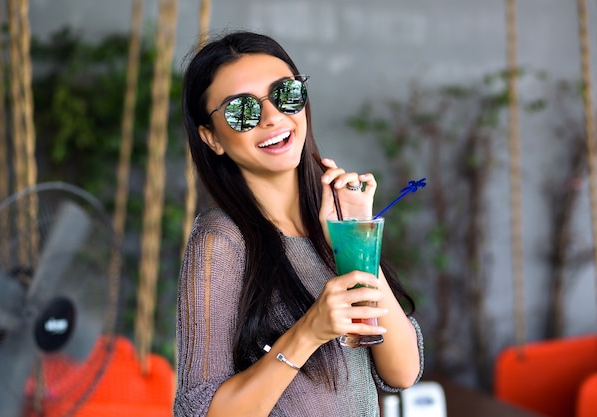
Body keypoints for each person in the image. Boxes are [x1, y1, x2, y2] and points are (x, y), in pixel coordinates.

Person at [175, 30, 424, 417]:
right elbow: (198, 411)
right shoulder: (221, 242)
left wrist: (355, 239)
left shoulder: (336, 220)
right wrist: (309, 331)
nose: (274, 118)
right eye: (243, 110)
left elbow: (403, 372)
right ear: (212, 138)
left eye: (286, 94)